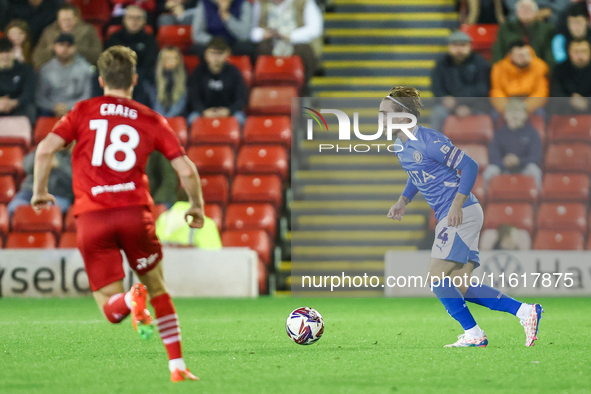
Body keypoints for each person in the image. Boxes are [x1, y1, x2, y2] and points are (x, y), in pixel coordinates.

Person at [31, 45, 205, 382]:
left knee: (111, 310)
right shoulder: (150, 118)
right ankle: (178, 366)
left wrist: (40, 191)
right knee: (158, 289)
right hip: (134, 214)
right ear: (135, 80)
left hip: (93, 218)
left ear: (100, 80)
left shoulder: (83, 111)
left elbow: (44, 149)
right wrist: (196, 206)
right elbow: (185, 169)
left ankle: (128, 298)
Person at [384, 86, 543, 348]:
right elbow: (417, 175)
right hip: (458, 212)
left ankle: (474, 333)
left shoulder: (429, 140)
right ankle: (525, 312)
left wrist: (457, 204)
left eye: (385, 113)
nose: (380, 119)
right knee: (460, 283)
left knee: (436, 277)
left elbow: (469, 165)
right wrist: (403, 200)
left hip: (459, 212)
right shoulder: (400, 145)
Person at [251, 0, 324, 87]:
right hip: (270, 42)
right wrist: (262, 34)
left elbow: (315, 28)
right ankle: (264, 89)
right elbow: (249, 29)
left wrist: (291, 36)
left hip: (296, 42)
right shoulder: (261, 3)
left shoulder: (304, 2)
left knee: (305, 51)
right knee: (256, 49)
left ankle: (303, 89)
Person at [430, 31, 491, 132]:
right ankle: (435, 145)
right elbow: (437, 87)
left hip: (476, 105)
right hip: (449, 106)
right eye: (455, 45)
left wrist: (459, 102)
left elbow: (483, 89)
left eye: (463, 45)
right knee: (438, 114)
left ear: (470, 46)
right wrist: (444, 99)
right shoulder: (441, 64)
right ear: (449, 47)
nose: (459, 49)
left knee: (492, 115)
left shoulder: (481, 63)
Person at [482, 98, 543, 189]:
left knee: (534, 171)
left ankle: (536, 201)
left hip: (524, 167)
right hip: (503, 168)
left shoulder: (532, 133)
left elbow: (536, 157)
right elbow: (493, 157)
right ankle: (485, 202)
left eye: (518, 111)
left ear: (525, 115)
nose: (514, 115)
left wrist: (518, 161)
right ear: (505, 115)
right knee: (489, 171)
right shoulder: (499, 134)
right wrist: (505, 162)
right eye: (511, 112)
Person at [105, 5, 159, 106]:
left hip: (140, 78)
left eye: (138, 18)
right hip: (117, 76)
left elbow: (150, 62)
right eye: (130, 18)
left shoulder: (150, 40)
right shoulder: (115, 38)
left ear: (144, 21)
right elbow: (109, 60)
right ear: (124, 20)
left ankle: (139, 111)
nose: (134, 21)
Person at [187, 37, 248, 125]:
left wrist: (229, 111)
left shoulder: (234, 72)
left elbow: (241, 98)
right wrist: (203, 111)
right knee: (191, 119)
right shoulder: (198, 72)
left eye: (220, 53)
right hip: (203, 112)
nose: (216, 57)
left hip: (229, 112)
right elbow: (193, 98)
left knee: (241, 119)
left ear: (227, 54)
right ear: (206, 54)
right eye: (212, 53)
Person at [36, 33, 93, 118]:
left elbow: (87, 95)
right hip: (51, 110)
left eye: (69, 46)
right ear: (54, 47)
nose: (65, 49)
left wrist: (69, 107)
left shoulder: (85, 68)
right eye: (61, 45)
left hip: (77, 110)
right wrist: (54, 107)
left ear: (75, 48)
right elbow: (40, 97)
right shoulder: (46, 69)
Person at [32, 3, 103, 69]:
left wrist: (77, 50)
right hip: (53, 71)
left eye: (69, 20)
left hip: (81, 70)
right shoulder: (49, 32)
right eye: (62, 20)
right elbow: (36, 58)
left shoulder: (88, 31)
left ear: (76, 18)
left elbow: (98, 55)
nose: (66, 23)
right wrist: (53, 50)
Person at [7, 145, 72, 216]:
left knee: (46, 212)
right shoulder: (42, 149)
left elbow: (74, 181)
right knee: (13, 209)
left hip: (58, 196)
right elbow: (26, 167)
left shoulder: (73, 156)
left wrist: (58, 166)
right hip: (29, 193)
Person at [490, 40, 549, 115]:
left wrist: (526, 107)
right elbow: (496, 91)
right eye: (520, 55)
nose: (524, 58)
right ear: (511, 56)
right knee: (494, 115)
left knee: (542, 114)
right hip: (508, 102)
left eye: (527, 54)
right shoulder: (499, 68)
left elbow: (541, 92)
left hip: (530, 103)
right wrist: (506, 107)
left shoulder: (540, 66)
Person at [492, 0, 555, 69]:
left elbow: (549, 55)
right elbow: (498, 52)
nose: (525, 11)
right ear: (516, 12)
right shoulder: (506, 29)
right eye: (522, 8)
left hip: (537, 71)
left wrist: (547, 72)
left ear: (536, 12)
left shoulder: (546, 30)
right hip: (510, 70)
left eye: (529, 9)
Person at [190, 0, 255, 59]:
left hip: (234, 42)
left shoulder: (243, 4)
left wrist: (227, 16)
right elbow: (197, 34)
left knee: (248, 47)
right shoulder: (204, 3)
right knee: (197, 49)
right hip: (212, 42)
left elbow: (244, 35)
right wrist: (217, 43)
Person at [0, 38, 36, 125]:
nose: (5, 56)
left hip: (18, 105)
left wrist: (14, 103)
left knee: (30, 108)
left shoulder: (26, 69)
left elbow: (29, 93)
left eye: (8, 51)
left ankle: (28, 137)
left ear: (13, 52)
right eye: (1, 52)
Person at [551, 39, 591, 114]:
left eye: (584, 51)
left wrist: (587, 102)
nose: (580, 55)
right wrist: (570, 101)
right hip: (564, 111)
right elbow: (555, 92)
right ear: (569, 53)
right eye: (576, 52)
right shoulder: (560, 69)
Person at [149, 46, 188, 118]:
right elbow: (154, 101)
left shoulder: (185, 77)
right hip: (157, 116)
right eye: (167, 58)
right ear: (161, 60)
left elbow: (181, 104)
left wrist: (168, 117)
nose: (171, 61)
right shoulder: (152, 77)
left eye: (174, 58)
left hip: (176, 117)